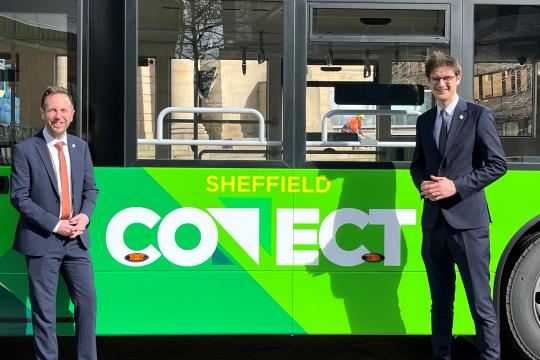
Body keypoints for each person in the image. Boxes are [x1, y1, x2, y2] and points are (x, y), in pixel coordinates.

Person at [410, 52, 507, 359]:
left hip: (469, 226)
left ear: (458, 78)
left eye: (447, 78)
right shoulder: (424, 121)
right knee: (439, 304)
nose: (442, 84)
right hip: (434, 226)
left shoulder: (479, 115)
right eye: (435, 79)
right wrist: (423, 183)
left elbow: (498, 165)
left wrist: (455, 186)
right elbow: (418, 165)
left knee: (480, 303)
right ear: (429, 83)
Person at [10, 86, 98, 360]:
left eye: (63, 110)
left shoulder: (80, 147)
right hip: (42, 240)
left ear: (72, 115)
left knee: (88, 304)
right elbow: (19, 198)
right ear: (42, 113)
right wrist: (55, 224)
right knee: (44, 311)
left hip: (77, 241)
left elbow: (90, 190)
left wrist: (85, 215)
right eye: (52, 110)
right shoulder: (25, 150)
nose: (57, 115)